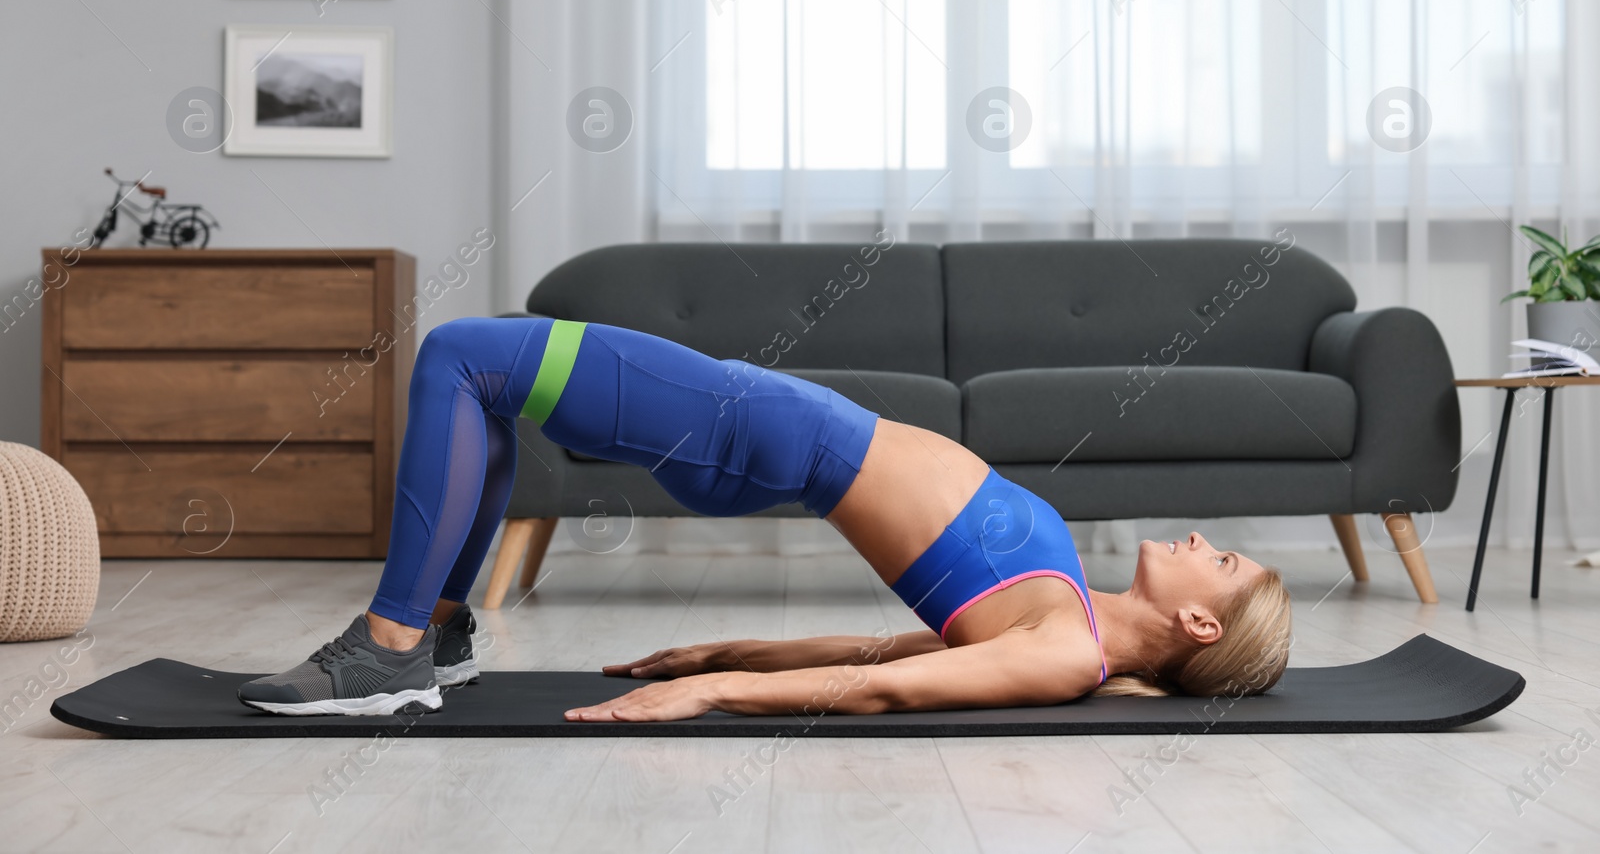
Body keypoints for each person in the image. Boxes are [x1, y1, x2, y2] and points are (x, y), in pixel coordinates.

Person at [238, 317, 1293, 719]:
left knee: (460, 355)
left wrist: (711, 692)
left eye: (1224, 560)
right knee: (487, 378)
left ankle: (388, 643)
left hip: (759, 431)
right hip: (768, 426)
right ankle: (444, 632)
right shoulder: (1070, 621)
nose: (1204, 539)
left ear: (1202, 622)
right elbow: (888, 643)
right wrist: (731, 642)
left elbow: (883, 684)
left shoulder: (1066, 654)